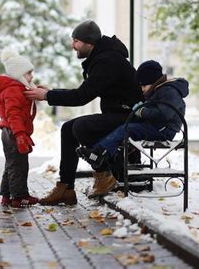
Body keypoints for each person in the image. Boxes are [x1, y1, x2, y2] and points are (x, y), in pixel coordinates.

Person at [24, 20, 143, 204]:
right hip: (118, 115)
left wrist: (48, 96)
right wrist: (50, 93)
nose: (73, 46)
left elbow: (82, 96)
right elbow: (84, 91)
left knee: (81, 127)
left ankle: (104, 172)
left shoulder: (108, 61)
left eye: (76, 41)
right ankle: (66, 188)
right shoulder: (103, 57)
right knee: (68, 128)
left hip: (128, 117)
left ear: (89, 42)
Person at [76, 60, 189, 172]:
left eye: (144, 85)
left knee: (126, 129)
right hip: (158, 127)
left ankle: (98, 154)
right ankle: (103, 154)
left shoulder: (169, 91)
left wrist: (142, 111)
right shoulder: (160, 91)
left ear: (154, 81)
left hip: (164, 130)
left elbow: (164, 114)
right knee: (124, 128)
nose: (142, 89)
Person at [0, 49, 39, 208]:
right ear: (18, 74)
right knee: (19, 165)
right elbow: (13, 114)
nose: (32, 76)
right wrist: (20, 135)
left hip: (10, 132)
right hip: (14, 132)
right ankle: (19, 197)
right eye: (28, 73)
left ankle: (6, 196)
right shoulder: (13, 90)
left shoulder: (16, 88)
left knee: (11, 164)